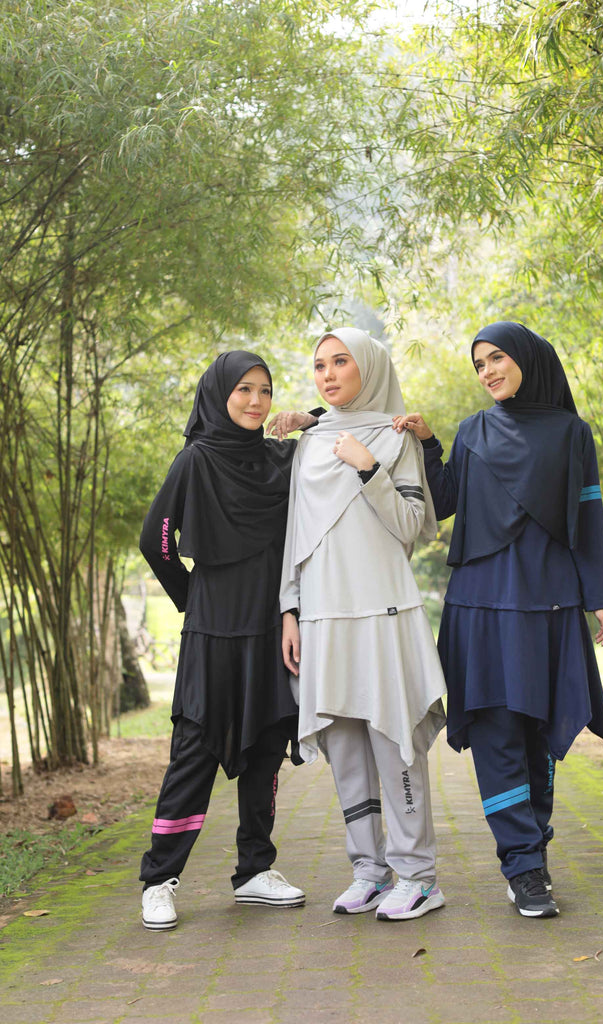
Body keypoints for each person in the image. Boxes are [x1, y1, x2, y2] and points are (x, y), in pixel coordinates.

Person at [394, 321, 603, 919]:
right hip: (481, 604)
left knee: (539, 730)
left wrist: (599, 595)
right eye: (479, 364)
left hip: (549, 605)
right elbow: (445, 503)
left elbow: (588, 517)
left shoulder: (572, 434)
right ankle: (522, 866)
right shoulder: (473, 431)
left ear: (527, 359)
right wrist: (431, 445)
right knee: (496, 732)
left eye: (496, 358)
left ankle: (533, 849)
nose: (487, 371)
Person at [280, 327, 447, 922]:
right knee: (346, 743)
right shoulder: (308, 442)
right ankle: (369, 872)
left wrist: (368, 466)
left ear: (368, 368)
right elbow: (295, 533)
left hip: (382, 609)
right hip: (323, 612)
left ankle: (419, 876)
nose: (327, 374)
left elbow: (410, 527)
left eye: (340, 361)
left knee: (393, 738)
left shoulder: (397, 436)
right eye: (319, 364)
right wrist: (289, 609)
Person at [138, 351, 307, 930]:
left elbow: (341, 428)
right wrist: (194, 598)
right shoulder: (196, 460)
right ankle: (159, 879)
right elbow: (158, 540)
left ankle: (255, 869)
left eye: (265, 390)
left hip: (270, 626)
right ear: (219, 394)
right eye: (243, 390)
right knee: (195, 748)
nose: (256, 401)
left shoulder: (280, 458)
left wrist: (307, 418)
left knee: (267, 743)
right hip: (211, 630)